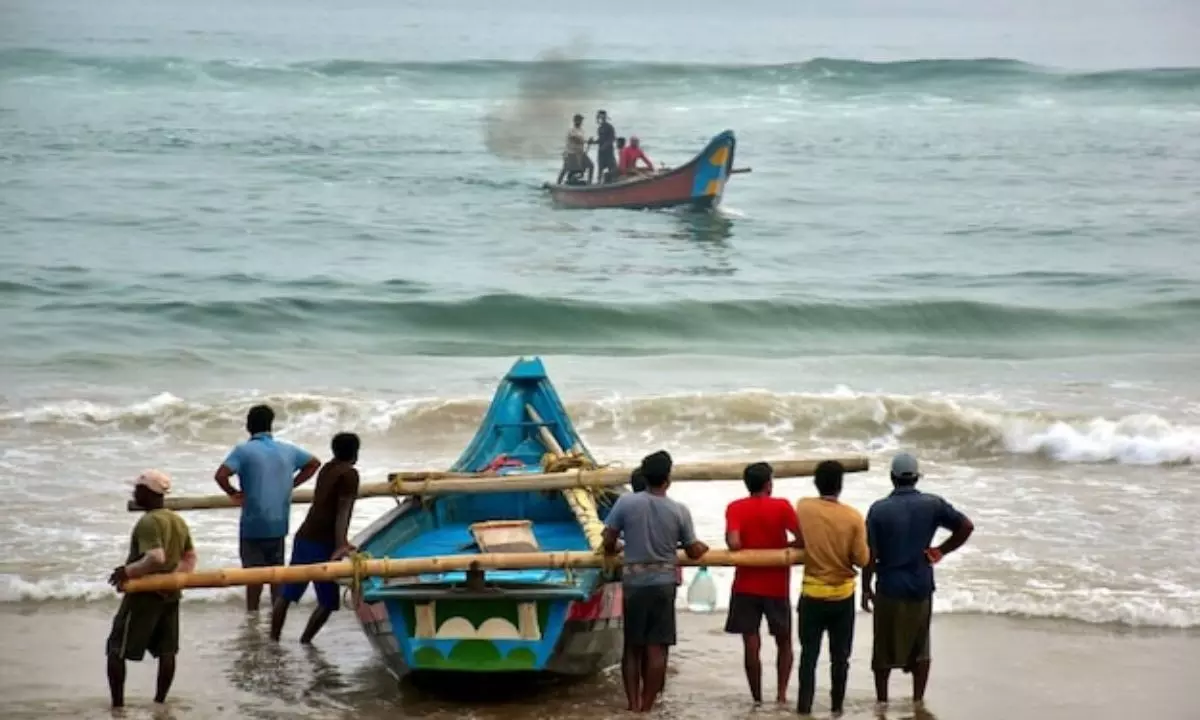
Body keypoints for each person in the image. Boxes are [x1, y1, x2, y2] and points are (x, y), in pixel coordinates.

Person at [862, 453, 975, 709]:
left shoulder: (879, 510)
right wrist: (940, 551)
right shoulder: (932, 504)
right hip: (920, 584)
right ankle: (917, 700)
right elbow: (966, 526)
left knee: (883, 647)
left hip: (889, 586)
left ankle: (882, 702)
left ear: (892, 478)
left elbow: (871, 554)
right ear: (916, 478)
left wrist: (865, 587)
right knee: (921, 645)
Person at [603, 450, 708, 713]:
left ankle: (633, 704)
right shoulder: (678, 510)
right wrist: (702, 547)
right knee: (656, 648)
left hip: (634, 582)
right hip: (663, 583)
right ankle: (647, 708)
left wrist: (612, 549)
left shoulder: (626, 503)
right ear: (668, 478)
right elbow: (693, 550)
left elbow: (608, 539)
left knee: (632, 647)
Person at [215, 404, 320, 612]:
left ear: (248, 426)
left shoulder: (243, 451)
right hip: (279, 524)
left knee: (253, 578)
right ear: (270, 426)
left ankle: (252, 617)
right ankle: (276, 618)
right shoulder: (288, 450)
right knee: (276, 576)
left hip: (253, 524)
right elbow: (314, 463)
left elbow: (220, 475)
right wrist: (291, 484)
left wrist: (233, 493)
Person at [106, 470, 197, 709]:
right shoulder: (177, 520)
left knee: (116, 648)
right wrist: (174, 580)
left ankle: (117, 706)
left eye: (137, 489)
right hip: (171, 593)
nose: (134, 493)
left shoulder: (148, 522)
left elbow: (155, 557)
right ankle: (160, 703)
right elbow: (190, 557)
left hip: (144, 595)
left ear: (147, 493)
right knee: (167, 650)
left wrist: (128, 572)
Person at [794, 460, 870, 717]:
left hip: (812, 593)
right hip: (842, 596)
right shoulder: (853, 517)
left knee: (809, 657)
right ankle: (837, 708)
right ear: (841, 486)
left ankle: (804, 708)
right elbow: (862, 559)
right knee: (840, 659)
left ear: (816, 483)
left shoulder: (804, 507)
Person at [723, 462, 803, 705]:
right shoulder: (782, 506)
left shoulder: (735, 507)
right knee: (784, 641)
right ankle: (781, 695)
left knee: (751, 643)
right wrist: (783, 548)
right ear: (769, 483)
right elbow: (802, 538)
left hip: (745, 583)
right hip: (776, 584)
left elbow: (734, 543)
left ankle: (756, 698)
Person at [270, 432, 362, 643]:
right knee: (329, 601)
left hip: (305, 537)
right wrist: (341, 544)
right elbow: (343, 510)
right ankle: (305, 641)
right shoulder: (350, 474)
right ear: (355, 452)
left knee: (287, 594)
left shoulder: (327, 468)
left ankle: (273, 640)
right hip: (323, 542)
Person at [556, 113, 593, 185]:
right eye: (578, 120)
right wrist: (587, 141)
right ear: (575, 121)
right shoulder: (571, 130)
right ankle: (558, 184)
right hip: (571, 153)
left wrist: (590, 142)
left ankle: (589, 183)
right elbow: (576, 139)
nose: (580, 122)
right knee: (565, 168)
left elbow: (583, 141)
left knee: (591, 166)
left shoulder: (582, 130)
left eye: (581, 120)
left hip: (580, 153)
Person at [591, 110, 618, 183]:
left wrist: (605, 145)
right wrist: (593, 142)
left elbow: (612, 138)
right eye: (599, 117)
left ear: (605, 118)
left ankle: (613, 182)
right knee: (600, 168)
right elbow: (600, 140)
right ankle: (599, 183)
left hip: (608, 152)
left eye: (602, 117)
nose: (600, 119)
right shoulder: (600, 128)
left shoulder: (610, 127)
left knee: (612, 168)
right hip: (601, 152)